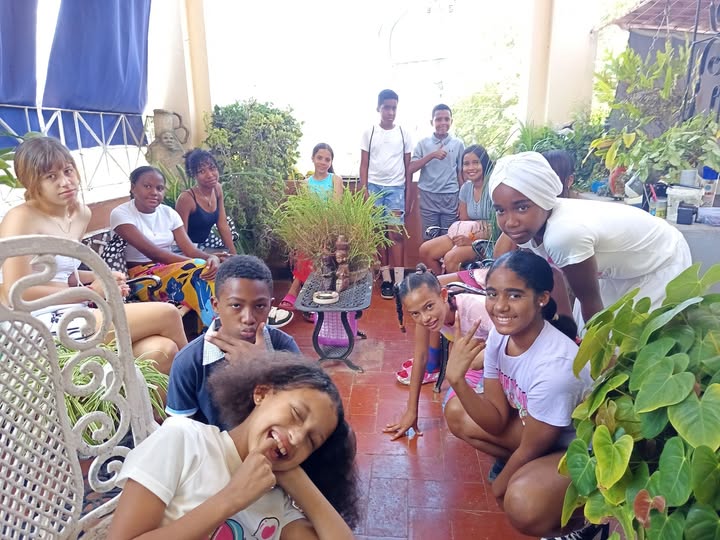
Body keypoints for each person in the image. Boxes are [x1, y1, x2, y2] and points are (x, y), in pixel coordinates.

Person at [108, 353, 359, 540]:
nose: (296, 437)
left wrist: (296, 479)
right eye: (296, 413)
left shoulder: (278, 500)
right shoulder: (183, 439)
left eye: (311, 441)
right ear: (262, 393)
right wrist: (232, 498)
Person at [0, 136, 187, 374]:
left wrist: (105, 277)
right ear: (30, 182)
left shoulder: (80, 214)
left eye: (68, 171)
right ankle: (201, 387)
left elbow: (64, 275)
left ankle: (159, 401)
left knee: (163, 350)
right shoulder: (20, 217)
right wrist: (90, 292)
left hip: (75, 312)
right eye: (51, 176)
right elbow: (16, 291)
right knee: (168, 314)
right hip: (35, 323)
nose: (65, 182)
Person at [444, 250, 597, 539]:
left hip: (580, 450)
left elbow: (531, 447)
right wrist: (457, 380)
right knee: (455, 412)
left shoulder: (554, 368)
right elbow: (496, 419)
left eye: (514, 295)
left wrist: (500, 486)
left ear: (542, 298)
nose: (500, 306)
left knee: (521, 502)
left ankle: (589, 521)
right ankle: (534, 476)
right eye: (492, 294)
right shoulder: (499, 336)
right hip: (540, 431)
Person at [489, 151, 692, 323]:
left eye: (521, 207)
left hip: (659, 260)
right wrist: (562, 332)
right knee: (589, 330)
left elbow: (590, 301)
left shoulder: (564, 235)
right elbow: (552, 277)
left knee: (627, 341)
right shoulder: (531, 225)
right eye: (500, 210)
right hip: (615, 268)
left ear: (543, 199)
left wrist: (591, 350)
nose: (510, 222)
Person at [166, 255, 300, 426]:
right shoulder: (189, 362)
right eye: (236, 305)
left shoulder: (284, 347)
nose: (248, 318)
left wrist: (264, 367)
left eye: (260, 306)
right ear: (215, 305)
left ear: (270, 305)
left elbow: (304, 412)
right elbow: (179, 432)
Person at [383, 264, 493, 439]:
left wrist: (480, 358)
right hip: (475, 367)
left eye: (429, 307)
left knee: (480, 415)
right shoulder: (425, 318)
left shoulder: (476, 309)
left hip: (500, 366)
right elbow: (421, 357)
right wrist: (411, 411)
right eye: (415, 313)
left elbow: (513, 343)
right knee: (453, 412)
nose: (425, 318)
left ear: (443, 295)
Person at [110, 166, 221, 329]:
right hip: (141, 279)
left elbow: (190, 250)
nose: (154, 192)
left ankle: (212, 328)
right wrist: (199, 263)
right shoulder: (121, 214)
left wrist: (212, 258)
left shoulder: (168, 213)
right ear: (133, 187)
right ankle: (215, 329)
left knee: (214, 270)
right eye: (147, 186)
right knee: (200, 270)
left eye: (159, 188)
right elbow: (154, 253)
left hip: (171, 270)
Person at [278, 143, 343, 315]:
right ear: (313, 158)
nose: (323, 162)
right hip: (311, 228)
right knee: (306, 245)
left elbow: (336, 208)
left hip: (331, 228)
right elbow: (306, 211)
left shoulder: (335, 180)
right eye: (319, 158)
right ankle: (308, 294)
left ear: (331, 162)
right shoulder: (305, 184)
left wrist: (323, 229)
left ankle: (296, 290)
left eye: (327, 159)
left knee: (318, 245)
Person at [359, 89, 412, 300]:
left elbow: (408, 168)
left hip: (396, 189)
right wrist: (365, 191)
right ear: (378, 108)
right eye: (386, 107)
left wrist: (408, 195)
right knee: (379, 235)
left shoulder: (404, 134)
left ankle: (399, 281)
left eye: (394, 108)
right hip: (374, 188)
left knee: (396, 234)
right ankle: (386, 279)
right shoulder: (369, 133)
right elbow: (364, 164)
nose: (390, 112)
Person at [418, 145, 494, 274]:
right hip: (469, 234)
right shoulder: (466, 188)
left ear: (484, 163)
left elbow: (499, 227)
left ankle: (460, 286)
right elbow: (465, 221)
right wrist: (467, 237)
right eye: (466, 164)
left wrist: (473, 239)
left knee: (451, 258)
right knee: (426, 250)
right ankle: (442, 284)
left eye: (476, 162)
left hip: (488, 241)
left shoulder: (493, 187)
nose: (471, 168)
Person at [409, 104, 465, 240]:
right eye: (438, 119)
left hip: (451, 196)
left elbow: (461, 173)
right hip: (428, 196)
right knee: (429, 237)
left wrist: (462, 200)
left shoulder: (458, 144)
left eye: (446, 119)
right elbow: (411, 168)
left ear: (451, 121)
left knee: (450, 237)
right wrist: (432, 155)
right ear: (432, 122)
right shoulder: (423, 144)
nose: (443, 123)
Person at [175, 149, 237, 256]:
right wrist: (207, 257)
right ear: (193, 175)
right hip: (186, 251)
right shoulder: (186, 199)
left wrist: (234, 257)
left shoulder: (217, 189)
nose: (210, 175)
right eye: (202, 171)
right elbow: (181, 239)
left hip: (205, 247)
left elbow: (222, 225)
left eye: (212, 168)